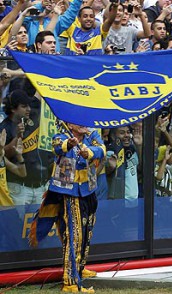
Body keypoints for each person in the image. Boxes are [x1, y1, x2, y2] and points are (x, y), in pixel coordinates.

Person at [29, 122, 106, 293]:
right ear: (70, 124)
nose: (85, 124)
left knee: (87, 231)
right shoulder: (61, 136)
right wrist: (68, 145)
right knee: (74, 234)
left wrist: (90, 152)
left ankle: (79, 268)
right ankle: (70, 281)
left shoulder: (92, 135)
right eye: (80, 121)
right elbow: (57, 148)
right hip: (69, 192)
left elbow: (102, 149)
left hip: (89, 190)